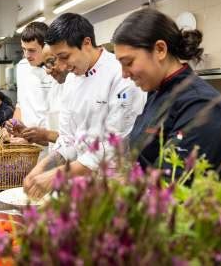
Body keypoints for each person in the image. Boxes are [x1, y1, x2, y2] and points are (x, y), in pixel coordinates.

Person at [24, 13, 147, 199]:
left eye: (65, 57)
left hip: (118, 184)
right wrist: (41, 168)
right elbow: (68, 139)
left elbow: (114, 143)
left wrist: (59, 174)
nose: (62, 66)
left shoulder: (120, 75)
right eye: (57, 58)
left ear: (86, 43)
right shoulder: (72, 81)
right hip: (82, 182)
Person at [111, 8, 221, 177]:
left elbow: (177, 184)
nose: (124, 74)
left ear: (160, 49)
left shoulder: (201, 106)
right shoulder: (156, 94)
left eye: (128, 62)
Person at [8, 44, 72, 149]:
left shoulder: (72, 85)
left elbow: (77, 141)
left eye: (51, 62)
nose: (47, 71)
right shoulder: (56, 85)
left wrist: (43, 135)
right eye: (24, 49)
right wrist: (27, 133)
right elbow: (60, 141)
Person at [13, 21, 53, 129]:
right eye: (24, 49)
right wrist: (13, 126)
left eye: (31, 50)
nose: (27, 55)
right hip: (25, 140)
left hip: (48, 141)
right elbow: (20, 104)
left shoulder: (56, 70)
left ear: (45, 47)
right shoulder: (22, 66)